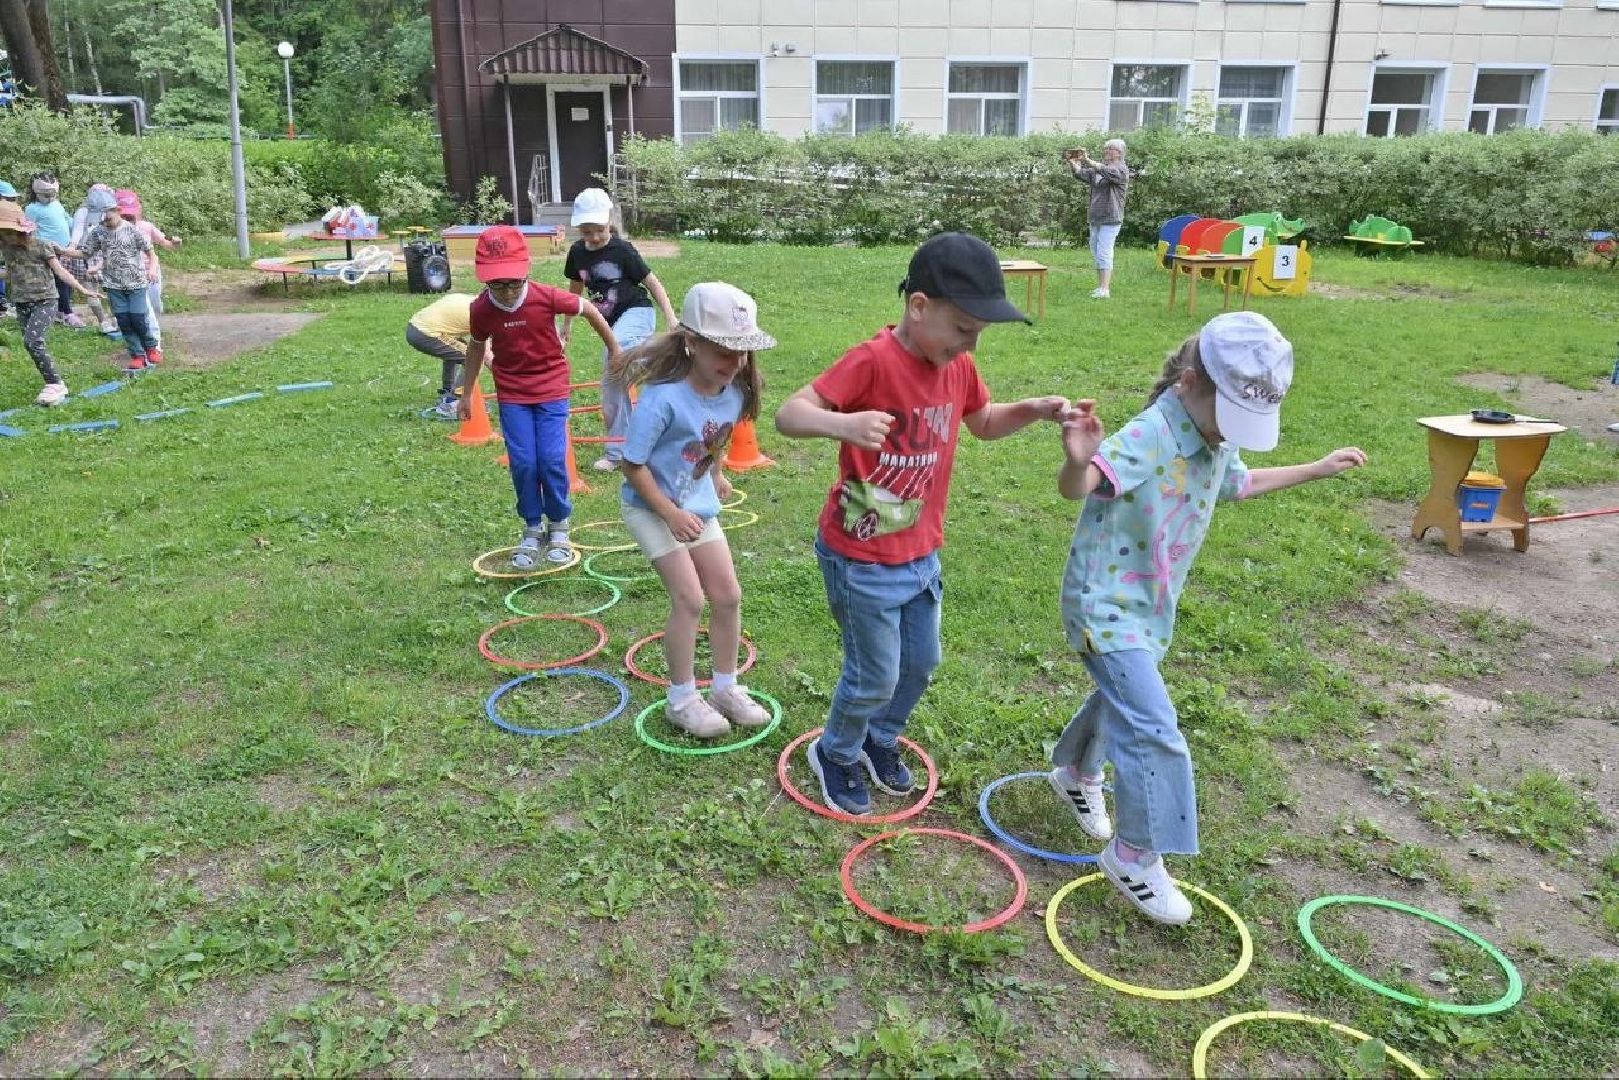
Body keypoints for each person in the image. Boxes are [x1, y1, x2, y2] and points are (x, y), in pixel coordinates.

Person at [1048, 311, 1367, 924]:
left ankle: (1075, 771)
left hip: (1149, 609)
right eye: (1233, 416)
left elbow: (1236, 485)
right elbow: (1081, 484)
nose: (1233, 435)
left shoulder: (1214, 438)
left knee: (1126, 700)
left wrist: (1315, 468)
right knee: (1155, 729)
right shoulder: (1150, 435)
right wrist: (1076, 458)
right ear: (1190, 382)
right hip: (1105, 606)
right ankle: (1136, 856)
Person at [774, 232, 1072, 816]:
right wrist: (845, 425)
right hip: (862, 556)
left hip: (920, 552)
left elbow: (982, 422)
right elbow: (789, 414)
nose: (970, 344)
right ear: (919, 307)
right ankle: (836, 752)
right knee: (873, 673)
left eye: (978, 334)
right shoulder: (873, 360)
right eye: (963, 329)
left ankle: (879, 740)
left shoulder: (957, 366)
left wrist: (1032, 410)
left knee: (921, 663)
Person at [617, 282, 777, 738]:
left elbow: (714, 437)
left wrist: (717, 473)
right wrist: (669, 513)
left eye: (742, 350)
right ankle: (682, 699)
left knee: (727, 594)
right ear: (691, 341)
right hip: (651, 509)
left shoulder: (733, 391)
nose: (734, 361)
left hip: (695, 506)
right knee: (690, 598)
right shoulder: (662, 398)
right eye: (724, 349)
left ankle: (725, 687)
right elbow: (632, 465)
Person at [459, 225, 620, 568]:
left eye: (512, 282)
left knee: (550, 458)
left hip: (550, 388)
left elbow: (589, 310)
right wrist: (466, 393)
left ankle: (559, 524)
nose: (504, 292)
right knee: (524, 463)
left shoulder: (546, 296)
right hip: (513, 393)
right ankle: (532, 528)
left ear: (526, 271)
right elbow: (475, 347)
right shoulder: (481, 309)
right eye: (495, 284)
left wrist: (615, 351)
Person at [560, 187, 678, 472]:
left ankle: (664, 357)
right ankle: (617, 452)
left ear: (609, 220)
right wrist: (566, 325)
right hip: (610, 324)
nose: (594, 237)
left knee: (614, 356)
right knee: (615, 381)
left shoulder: (622, 250)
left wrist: (671, 319)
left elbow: (652, 282)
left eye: (599, 229)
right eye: (587, 232)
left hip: (638, 312)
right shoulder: (577, 253)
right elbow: (575, 290)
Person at [0, 199, 100, 405]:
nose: (6, 236)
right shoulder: (6, 248)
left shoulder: (41, 246)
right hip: (21, 301)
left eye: (8, 232)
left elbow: (60, 271)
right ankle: (51, 383)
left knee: (32, 341)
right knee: (31, 345)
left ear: (20, 230)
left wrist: (82, 289)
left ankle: (55, 384)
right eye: (3, 233)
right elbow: (10, 273)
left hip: (45, 300)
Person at [79, 190, 159, 372]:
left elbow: (151, 253)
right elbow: (85, 252)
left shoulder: (132, 230)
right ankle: (137, 355)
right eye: (101, 218)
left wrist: (152, 270)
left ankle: (151, 347)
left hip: (136, 282)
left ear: (117, 210)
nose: (104, 221)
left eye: (107, 217)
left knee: (138, 317)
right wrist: (60, 251)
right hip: (113, 285)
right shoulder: (98, 232)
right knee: (123, 320)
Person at [1063, 140, 1129, 299]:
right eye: (1105, 148)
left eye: (1110, 149)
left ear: (1119, 153)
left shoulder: (1121, 169)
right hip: (1096, 217)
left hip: (1111, 218)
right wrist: (1073, 162)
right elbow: (1081, 173)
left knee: (1105, 253)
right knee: (1097, 252)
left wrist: (1088, 160)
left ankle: (1105, 290)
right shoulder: (1099, 169)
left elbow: (1107, 172)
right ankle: (1100, 287)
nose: (1106, 150)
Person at [23, 173, 84, 327]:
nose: (50, 197)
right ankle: (66, 312)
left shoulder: (57, 204)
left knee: (68, 280)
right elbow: (29, 230)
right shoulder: (32, 209)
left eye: (52, 194)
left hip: (66, 249)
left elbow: (67, 221)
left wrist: (78, 230)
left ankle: (63, 309)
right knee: (60, 281)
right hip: (49, 251)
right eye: (46, 194)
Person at [122, 190, 180, 347]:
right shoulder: (115, 232)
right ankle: (152, 342)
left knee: (154, 305)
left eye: (131, 215)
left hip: (152, 274)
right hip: (131, 276)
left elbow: (165, 244)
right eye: (124, 215)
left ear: (138, 210)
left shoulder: (146, 227)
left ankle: (152, 329)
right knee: (143, 309)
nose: (128, 219)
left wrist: (175, 243)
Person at [407, 292, 478, 418]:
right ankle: (453, 402)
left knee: (455, 350)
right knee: (472, 360)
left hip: (414, 326)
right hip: (425, 333)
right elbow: (486, 353)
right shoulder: (481, 315)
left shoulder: (467, 299)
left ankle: (447, 391)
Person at [68, 184, 120, 337]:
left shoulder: (83, 210)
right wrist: (71, 248)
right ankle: (106, 321)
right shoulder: (87, 211)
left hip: (95, 252)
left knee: (107, 289)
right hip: (89, 253)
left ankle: (112, 320)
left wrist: (71, 248)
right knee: (96, 290)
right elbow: (77, 232)